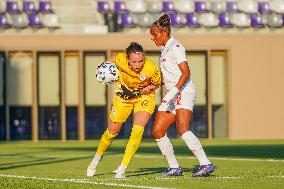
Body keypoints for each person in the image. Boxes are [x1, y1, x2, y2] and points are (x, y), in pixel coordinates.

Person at [150, 14, 216, 177]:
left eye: (154, 34)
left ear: (164, 32)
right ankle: (174, 167)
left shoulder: (176, 46)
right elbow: (169, 75)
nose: (152, 38)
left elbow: (186, 73)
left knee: (182, 128)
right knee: (158, 131)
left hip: (183, 91)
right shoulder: (164, 48)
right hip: (171, 93)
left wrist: (173, 91)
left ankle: (206, 163)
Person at [87, 42, 162, 179]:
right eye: (134, 61)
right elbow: (113, 58)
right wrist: (103, 69)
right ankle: (95, 161)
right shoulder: (121, 59)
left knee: (138, 130)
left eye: (140, 61)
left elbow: (157, 83)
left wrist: (140, 91)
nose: (138, 65)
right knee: (111, 133)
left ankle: (122, 168)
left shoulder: (150, 67)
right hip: (123, 98)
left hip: (143, 97)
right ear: (127, 59)